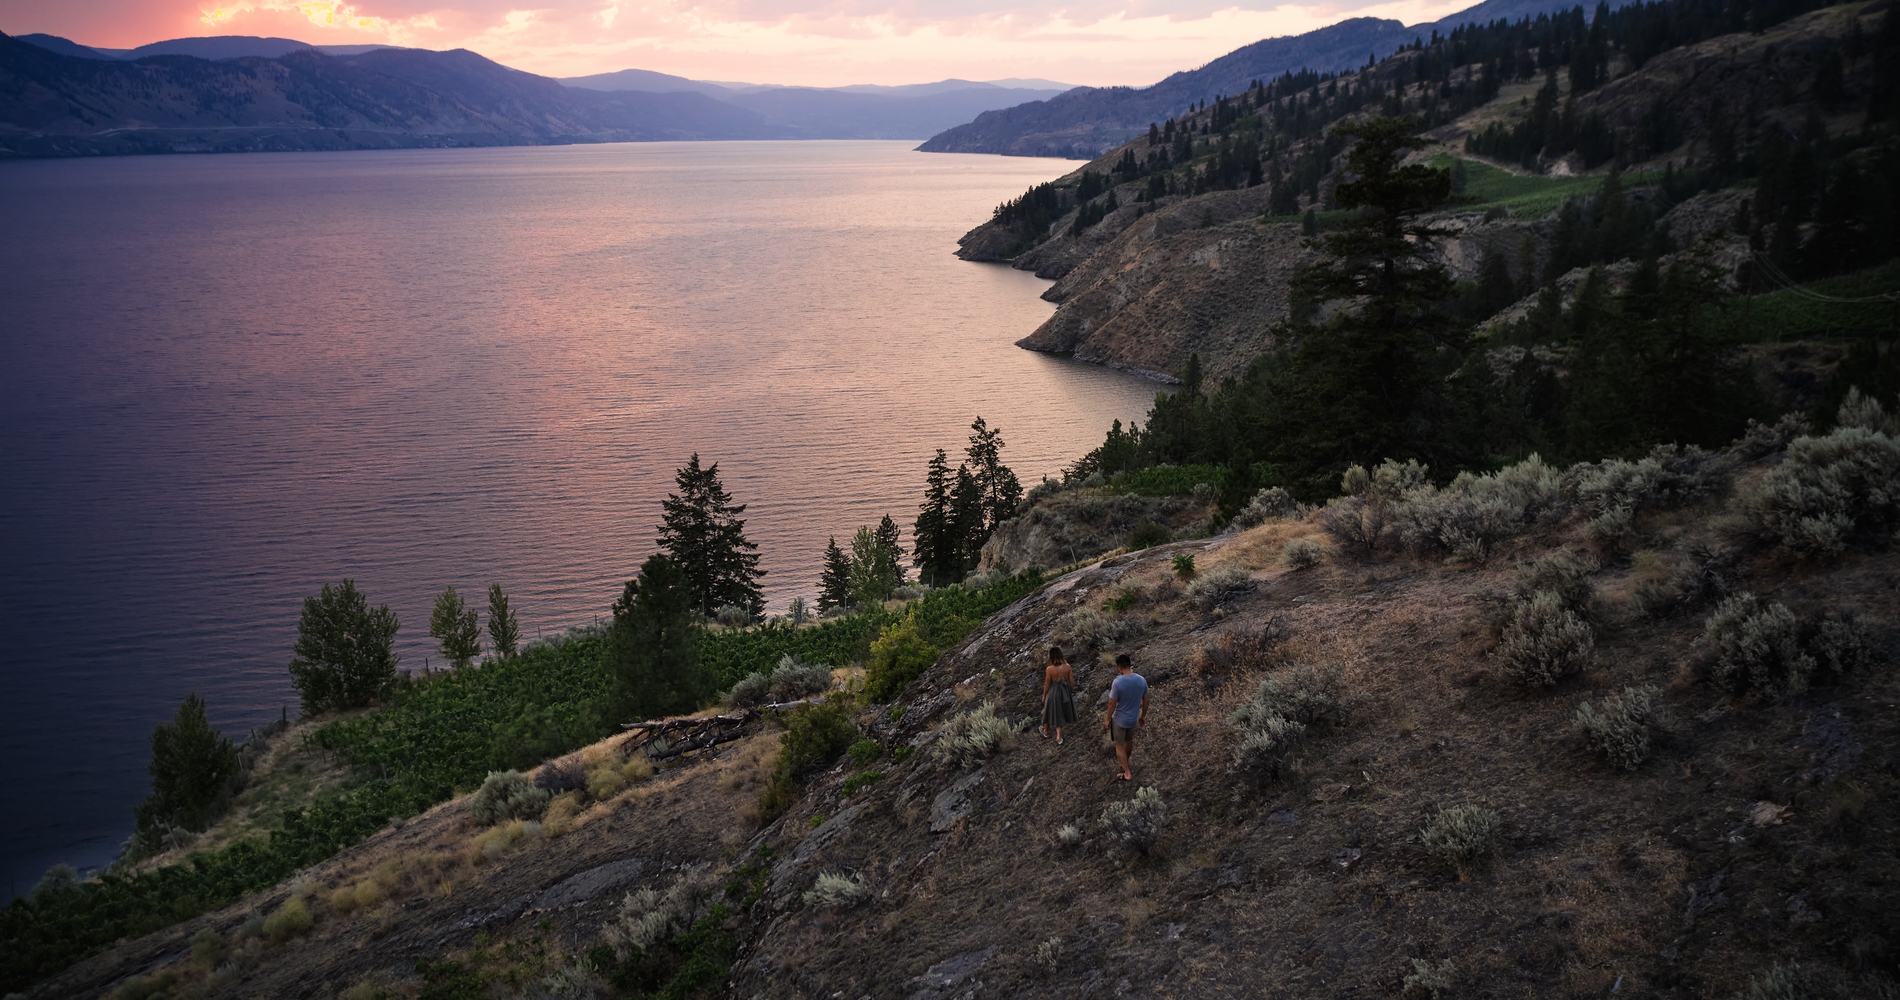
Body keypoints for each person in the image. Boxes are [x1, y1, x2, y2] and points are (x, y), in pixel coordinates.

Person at [1104, 652, 1148, 781]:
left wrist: (1107, 719)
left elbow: (1112, 703)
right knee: (1129, 742)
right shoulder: (1141, 680)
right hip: (1133, 719)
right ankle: (1125, 764)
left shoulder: (1117, 682)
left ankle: (1127, 772)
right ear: (1129, 665)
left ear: (1119, 667)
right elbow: (1146, 700)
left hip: (1119, 720)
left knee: (1119, 745)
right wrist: (1143, 716)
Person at [1040, 645, 1078, 744]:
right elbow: (1072, 682)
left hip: (1053, 692)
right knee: (1061, 711)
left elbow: (1047, 684)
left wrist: (1044, 695)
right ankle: (1056, 736)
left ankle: (1049, 733)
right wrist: (1069, 691)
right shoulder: (1068, 667)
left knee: (1050, 711)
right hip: (1065, 691)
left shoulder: (1049, 669)